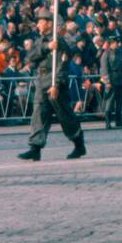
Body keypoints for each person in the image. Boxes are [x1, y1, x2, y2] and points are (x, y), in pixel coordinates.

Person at [17, 15, 86, 160]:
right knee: (39, 115)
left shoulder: (60, 42)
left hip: (54, 83)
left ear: (49, 23)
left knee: (65, 116)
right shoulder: (40, 41)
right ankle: (35, 148)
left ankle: (79, 144)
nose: (38, 25)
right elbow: (30, 57)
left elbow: (63, 65)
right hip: (42, 81)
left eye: (41, 22)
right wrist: (47, 47)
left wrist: (57, 84)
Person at [99, 36, 122, 129]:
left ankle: (118, 121)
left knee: (119, 101)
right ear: (111, 43)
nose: (117, 44)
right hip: (111, 79)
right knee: (109, 101)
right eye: (115, 42)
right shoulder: (106, 54)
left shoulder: (119, 52)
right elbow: (104, 68)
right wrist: (107, 81)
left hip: (120, 79)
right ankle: (107, 122)